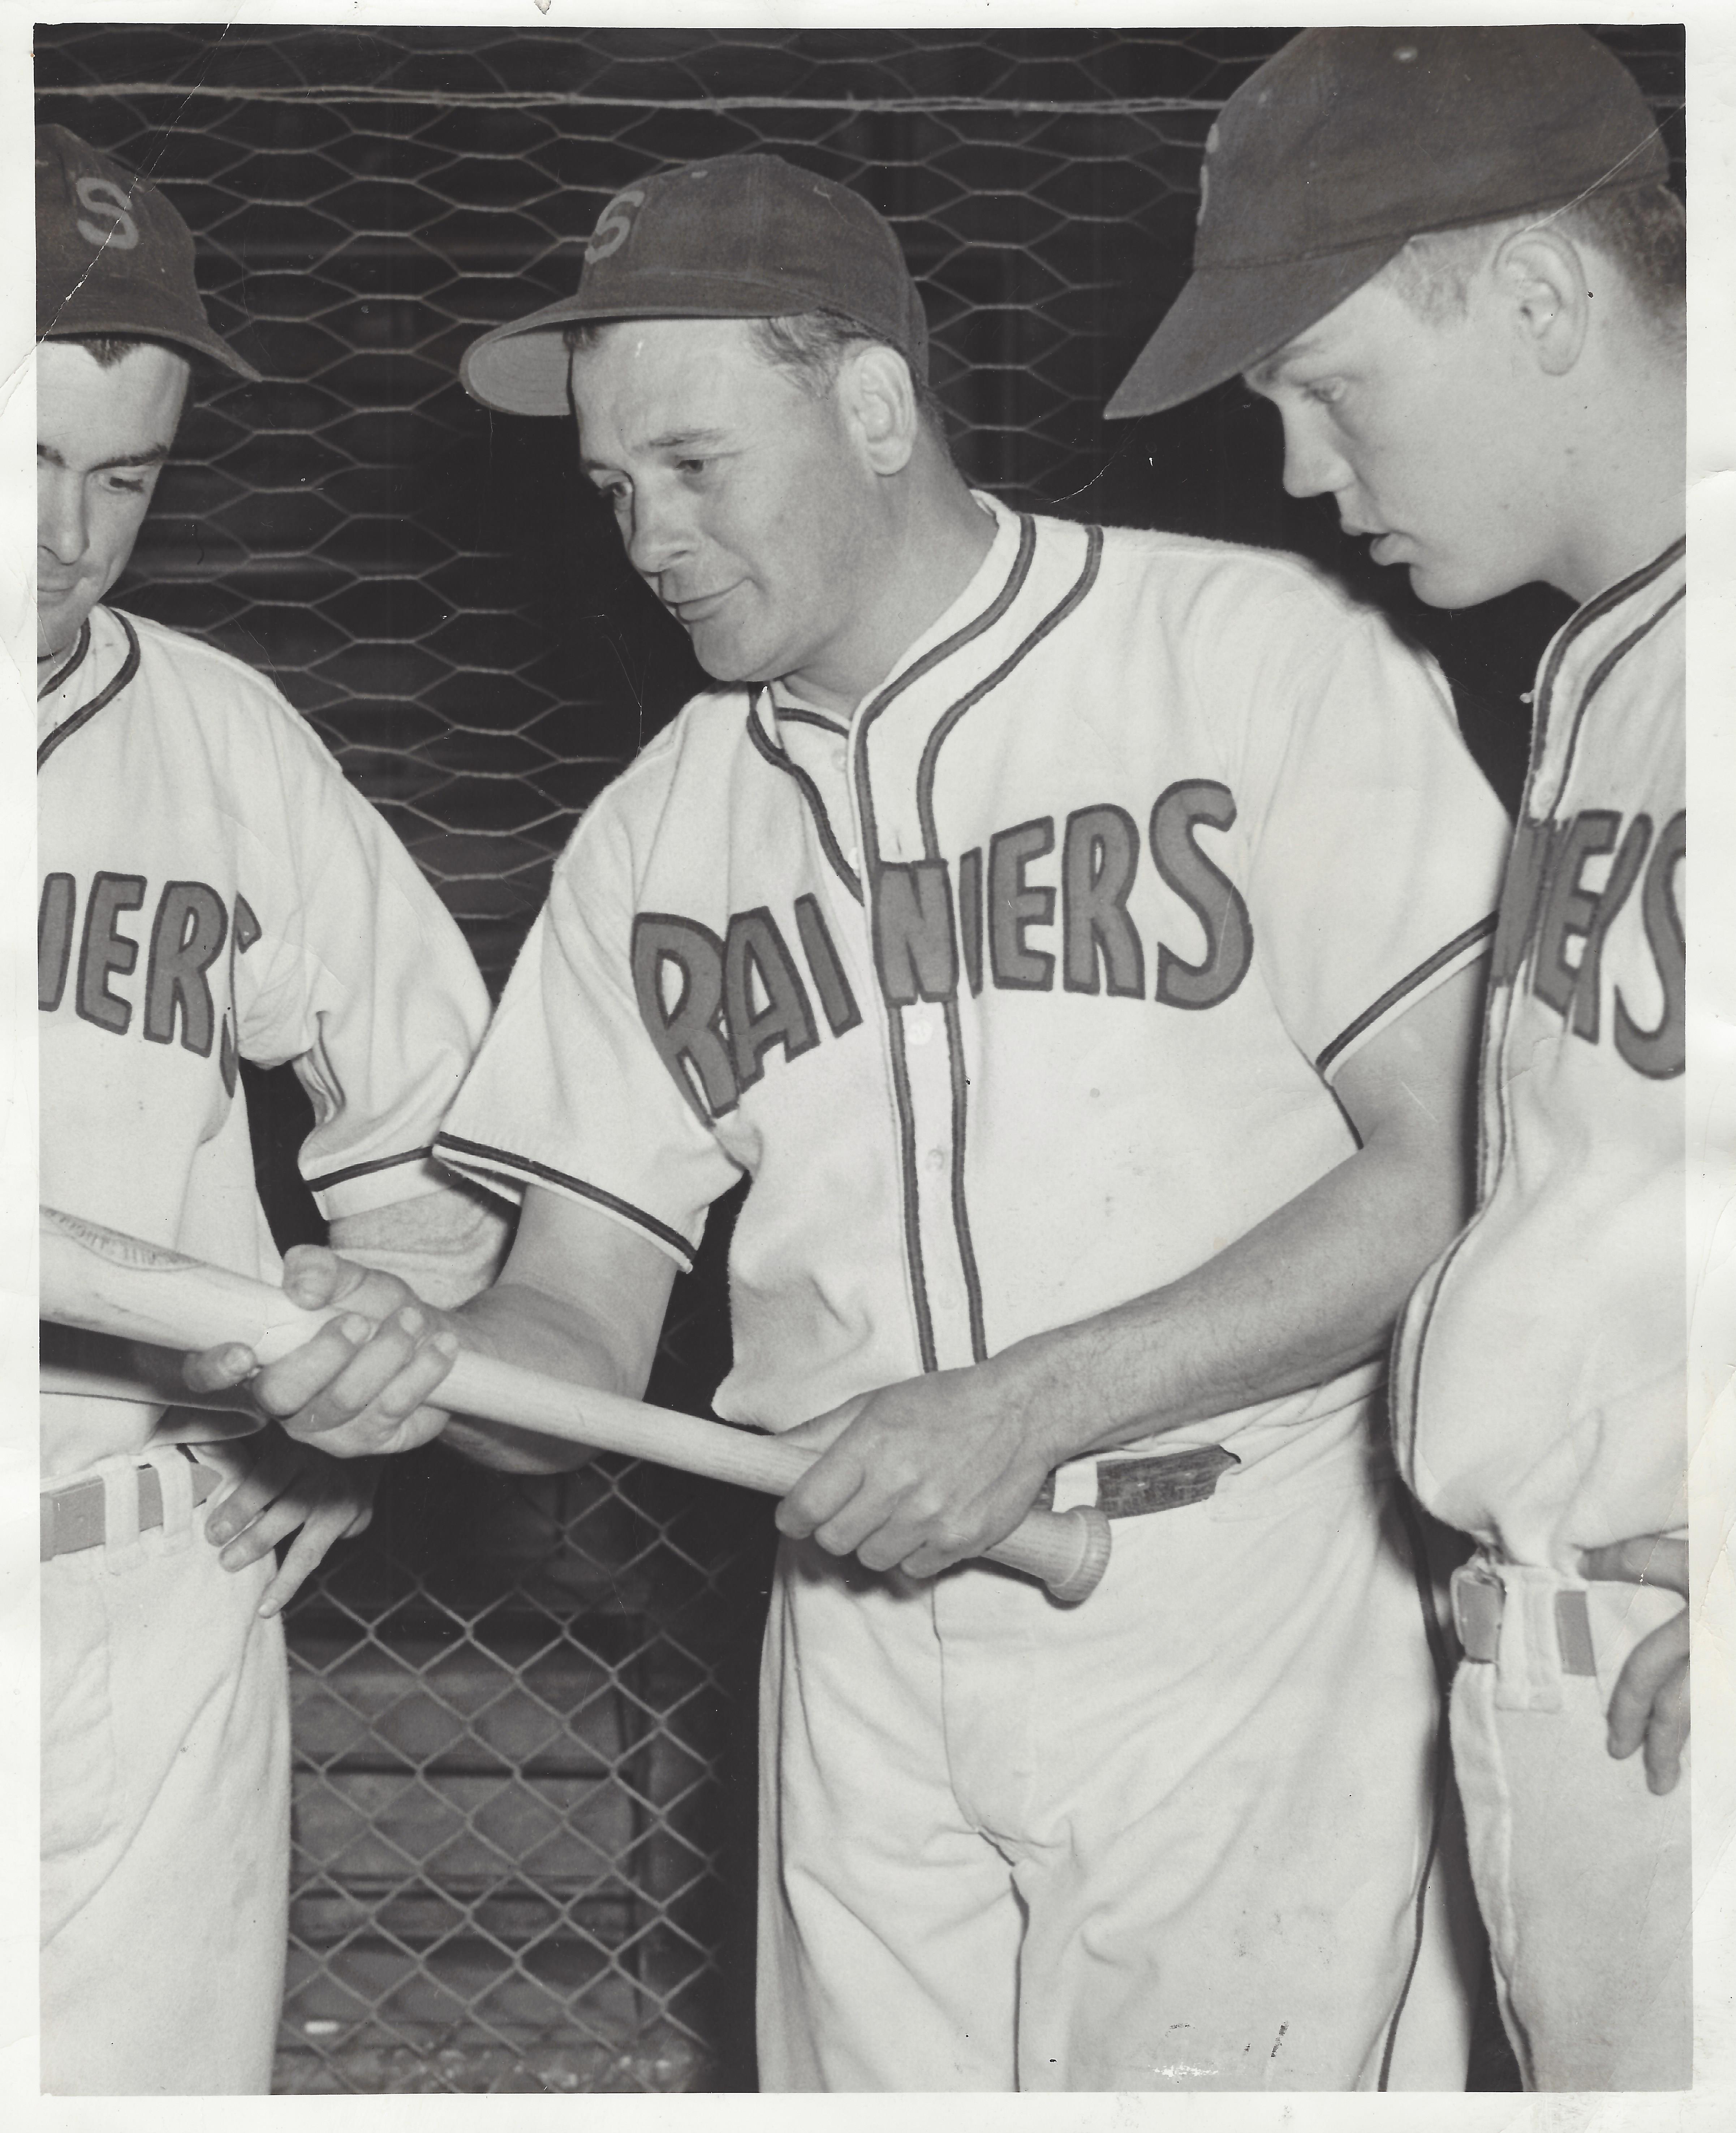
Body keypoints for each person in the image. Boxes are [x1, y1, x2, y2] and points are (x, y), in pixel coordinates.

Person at [190, 152, 1516, 2090]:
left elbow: (1451, 1167)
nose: (646, 529)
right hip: (856, 1635)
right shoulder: (664, 825)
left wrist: (1028, 1405)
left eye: (696, 463)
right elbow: (575, 1315)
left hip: (1239, 1599)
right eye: (613, 486)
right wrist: (422, 1363)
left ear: (876, 404)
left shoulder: (1245, 657)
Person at [1104, 26, 1689, 2093]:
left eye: (1328, 387)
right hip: (1576, 1705)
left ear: (1536, 296)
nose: (1289, 472)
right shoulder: (1604, 664)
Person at [35, 125, 507, 2095]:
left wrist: (356, 1404)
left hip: (136, 1593)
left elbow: (444, 1127)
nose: (70, 537)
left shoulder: (220, 736)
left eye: (122, 477)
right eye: (21, 459)